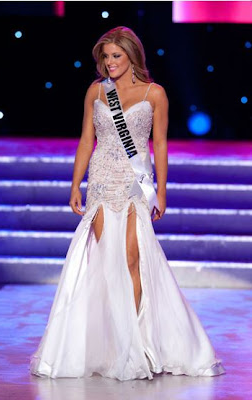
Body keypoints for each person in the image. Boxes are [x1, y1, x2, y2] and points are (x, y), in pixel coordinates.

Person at [30, 26, 225, 381]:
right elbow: (86, 141)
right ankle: (117, 343)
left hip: (136, 184)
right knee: (109, 261)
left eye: (116, 56)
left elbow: (160, 145)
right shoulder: (96, 91)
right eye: (105, 57)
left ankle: (137, 342)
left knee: (133, 260)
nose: (109, 63)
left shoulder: (155, 94)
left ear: (132, 56)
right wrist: (75, 183)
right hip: (102, 181)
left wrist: (162, 191)